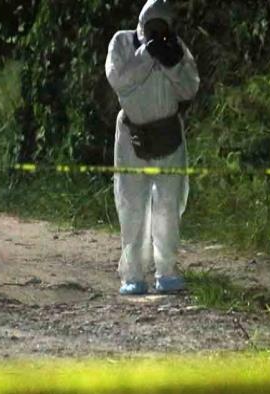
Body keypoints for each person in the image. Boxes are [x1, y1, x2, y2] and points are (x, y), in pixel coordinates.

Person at [105, 0, 200, 295]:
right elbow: (118, 79)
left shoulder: (177, 47)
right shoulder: (123, 42)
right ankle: (133, 274)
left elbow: (190, 88)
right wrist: (147, 55)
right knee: (132, 204)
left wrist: (171, 64)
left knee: (168, 205)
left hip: (168, 133)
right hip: (132, 135)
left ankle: (167, 271)